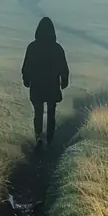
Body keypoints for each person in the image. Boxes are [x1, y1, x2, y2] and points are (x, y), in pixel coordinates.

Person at [21, 15, 70, 150]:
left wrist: (26, 80)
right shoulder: (57, 48)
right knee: (51, 114)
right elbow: (64, 68)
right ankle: (49, 140)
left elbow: (26, 66)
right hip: (52, 86)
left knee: (38, 112)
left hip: (36, 86)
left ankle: (38, 137)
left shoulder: (32, 47)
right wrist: (64, 81)